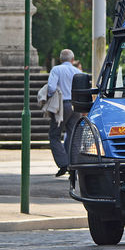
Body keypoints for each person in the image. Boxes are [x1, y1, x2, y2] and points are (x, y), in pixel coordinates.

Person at [47, 49, 82, 177]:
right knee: (73, 135)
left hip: (62, 105)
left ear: (60, 59)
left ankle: (63, 163)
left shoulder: (56, 70)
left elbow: (51, 87)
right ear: (72, 60)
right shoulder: (77, 72)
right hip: (75, 105)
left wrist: (51, 96)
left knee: (54, 135)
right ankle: (74, 166)